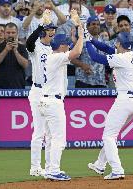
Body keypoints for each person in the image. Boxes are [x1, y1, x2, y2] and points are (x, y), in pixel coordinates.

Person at [85, 31, 133, 180]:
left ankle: (117, 170)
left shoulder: (121, 58)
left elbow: (95, 57)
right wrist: (90, 38)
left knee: (108, 136)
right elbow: (106, 48)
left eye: (117, 41)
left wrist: (86, 42)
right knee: (112, 134)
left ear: (120, 43)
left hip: (125, 100)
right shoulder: (131, 55)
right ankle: (100, 164)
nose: (115, 43)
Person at [38, 24, 84, 181]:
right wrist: (81, 33)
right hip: (53, 102)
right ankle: (54, 170)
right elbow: (77, 51)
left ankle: (50, 169)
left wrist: (73, 39)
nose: (68, 45)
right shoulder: (57, 57)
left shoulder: (55, 56)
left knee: (51, 139)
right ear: (61, 45)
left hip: (46, 100)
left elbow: (72, 48)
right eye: (65, 43)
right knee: (59, 139)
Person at [26, 10, 57, 176]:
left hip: (50, 92)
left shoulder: (53, 49)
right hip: (38, 90)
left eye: (53, 29)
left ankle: (50, 166)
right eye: (50, 28)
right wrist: (40, 25)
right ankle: (35, 167)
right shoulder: (36, 45)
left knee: (51, 133)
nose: (52, 31)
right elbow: (29, 42)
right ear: (44, 31)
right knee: (39, 132)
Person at [0, 22, 28, 89]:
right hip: (1, 86)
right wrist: (6, 50)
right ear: (4, 34)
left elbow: (25, 65)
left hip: (18, 85)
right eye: (8, 32)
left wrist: (15, 51)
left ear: (17, 34)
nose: (10, 35)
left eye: (13, 32)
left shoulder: (22, 47)